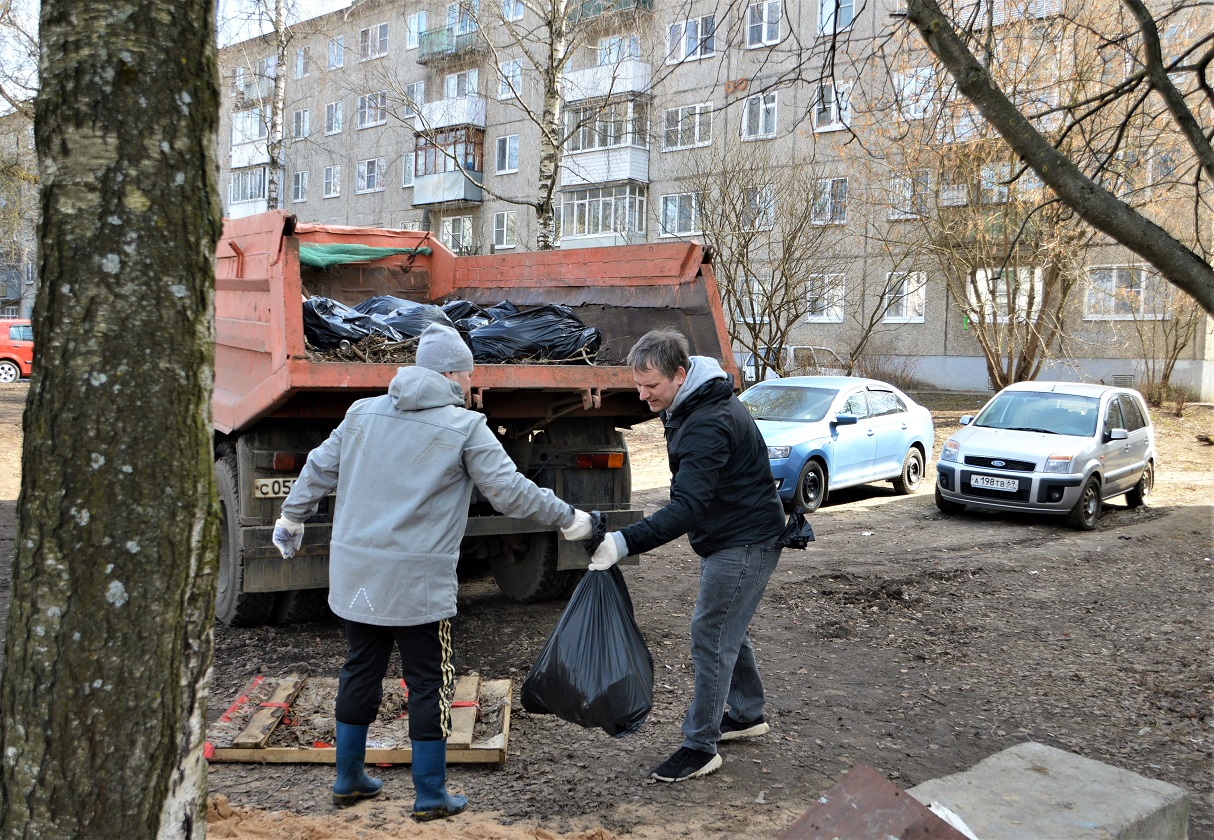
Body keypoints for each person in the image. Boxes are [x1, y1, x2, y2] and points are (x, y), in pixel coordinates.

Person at [271, 323, 593, 819]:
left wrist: (292, 516)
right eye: (467, 375)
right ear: (449, 374)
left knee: (360, 667)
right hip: (417, 583)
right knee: (428, 681)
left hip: (358, 575)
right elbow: (509, 492)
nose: (470, 385)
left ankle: (347, 777)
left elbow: (318, 467)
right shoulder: (466, 427)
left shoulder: (363, 412)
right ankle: (429, 794)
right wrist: (568, 517)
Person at [588, 328, 785, 783]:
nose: (642, 395)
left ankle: (700, 746)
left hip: (745, 540)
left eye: (651, 385)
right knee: (727, 626)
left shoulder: (707, 421)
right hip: (733, 532)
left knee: (711, 633)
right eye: (638, 385)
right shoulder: (691, 402)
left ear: (680, 374)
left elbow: (688, 507)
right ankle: (748, 713)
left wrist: (624, 541)